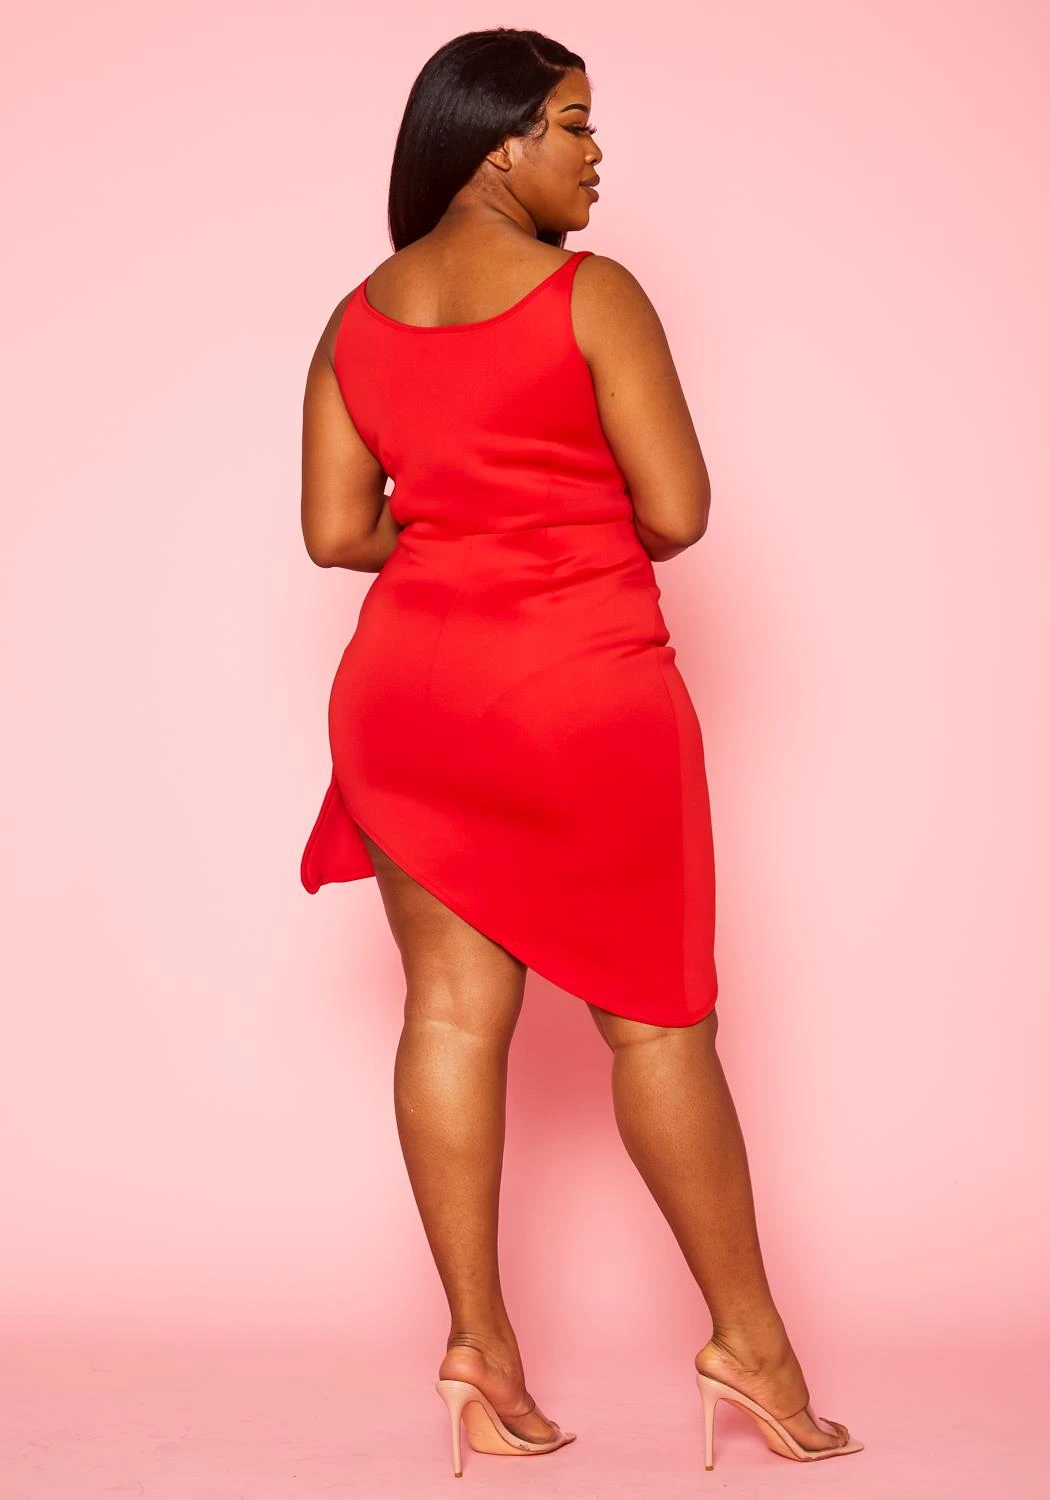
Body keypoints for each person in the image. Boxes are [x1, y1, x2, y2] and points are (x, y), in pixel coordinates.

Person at [299, 27, 862, 1477]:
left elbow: (336, 531)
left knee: (446, 1017)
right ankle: (752, 1349)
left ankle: (478, 1353)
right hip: (577, 689)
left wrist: (459, 526)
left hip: (406, 693)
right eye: (574, 124)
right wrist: (546, 524)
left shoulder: (356, 316)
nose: (595, 156)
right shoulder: (590, 295)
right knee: (657, 1024)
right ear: (499, 143)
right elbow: (675, 509)